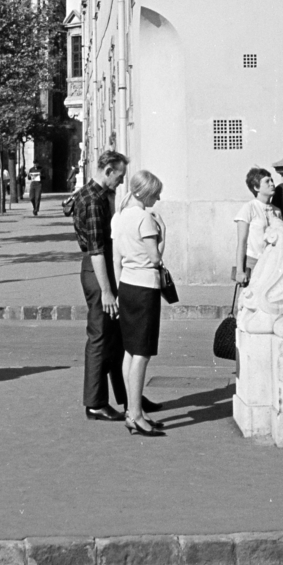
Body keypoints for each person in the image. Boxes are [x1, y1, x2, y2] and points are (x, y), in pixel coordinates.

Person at [70, 150, 130, 421]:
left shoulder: (89, 193)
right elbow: (96, 250)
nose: (121, 182)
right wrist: (106, 290)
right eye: (119, 177)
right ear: (108, 171)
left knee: (113, 337)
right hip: (98, 271)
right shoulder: (94, 200)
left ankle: (128, 396)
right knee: (100, 337)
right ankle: (95, 402)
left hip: (98, 268)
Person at [111, 169, 167, 437]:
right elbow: (155, 259)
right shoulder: (145, 218)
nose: (158, 197)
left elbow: (115, 259)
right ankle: (135, 415)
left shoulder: (118, 217)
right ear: (145, 193)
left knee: (130, 352)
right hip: (146, 287)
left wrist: (120, 289)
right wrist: (163, 233)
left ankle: (132, 411)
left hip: (127, 286)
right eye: (156, 193)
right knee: (142, 353)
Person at [233, 168, 280, 287]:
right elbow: (242, 243)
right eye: (267, 181)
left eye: (272, 180)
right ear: (256, 187)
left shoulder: (277, 211)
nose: (272, 184)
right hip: (253, 262)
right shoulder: (248, 208)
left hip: (272, 263)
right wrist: (240, 271)